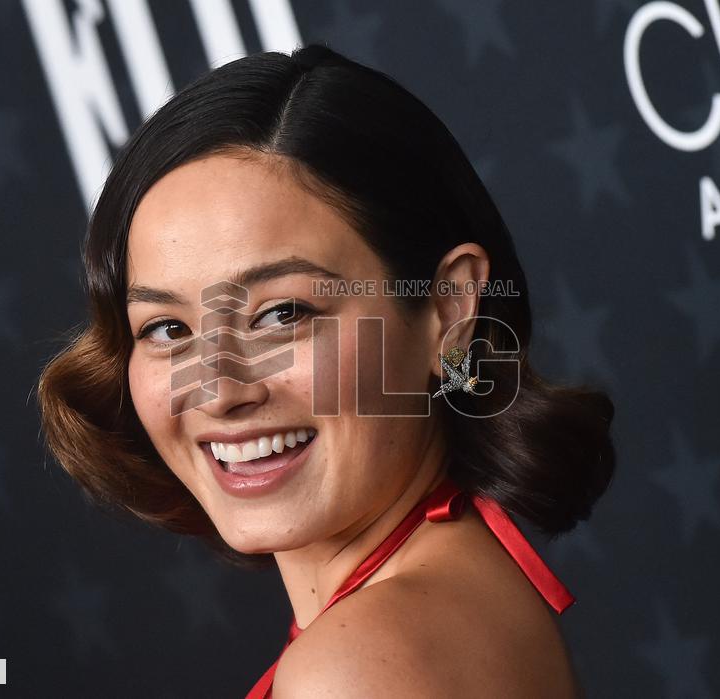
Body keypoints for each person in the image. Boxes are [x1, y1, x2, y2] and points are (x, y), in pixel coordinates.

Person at [37, 42, 615, 697]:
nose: (218, 389)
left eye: (282, 313)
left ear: (449, 310)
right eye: (168, 328)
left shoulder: (360, 667)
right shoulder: (449, 597)